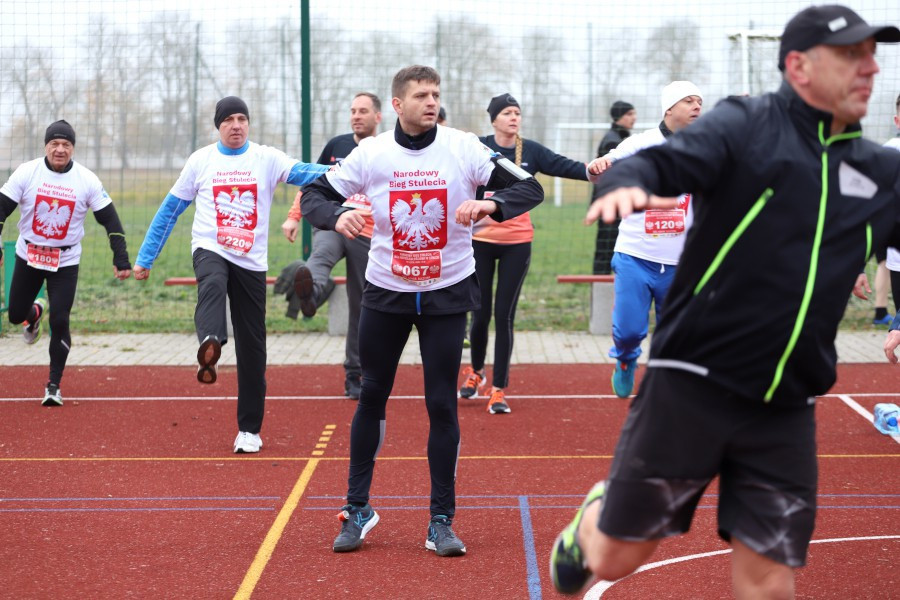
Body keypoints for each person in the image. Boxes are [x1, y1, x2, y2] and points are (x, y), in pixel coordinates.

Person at [550, 6, 900, 598]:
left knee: (768, 581)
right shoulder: (747, 124)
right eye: (851, 55)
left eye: (873, 54)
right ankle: (592, 522)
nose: (869, 67)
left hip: (785, 402)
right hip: (692, 381)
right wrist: (626, 184)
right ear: (799, 66)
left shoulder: (881, 171)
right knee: (615, 557)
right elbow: (659, 161)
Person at [301, 66, 558, 557]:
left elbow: (531, 189)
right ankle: (358, 509)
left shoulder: (463, 147)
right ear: (397, 105)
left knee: (440, 404)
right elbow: (313, 194)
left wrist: (492, 205)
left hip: (445, 294)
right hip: (386, 292)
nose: (431, 101)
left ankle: (440, 520)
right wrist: (338, 215)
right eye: (421, 95)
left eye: (436, 94)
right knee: (372, 395)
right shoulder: (372, 152)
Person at [133, 97, 328, 454]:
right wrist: (146, 257)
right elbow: (169, 211)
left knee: (254, 345)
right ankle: (211, 340)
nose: (236, 125)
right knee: (211, 283)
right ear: (218, 126)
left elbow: (303, 172)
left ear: (249, 124)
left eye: (242, 119)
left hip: (251, 260)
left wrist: (346, 171)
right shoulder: (201, 161)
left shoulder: (266, 158)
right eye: (229, 120)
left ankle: (249, 430)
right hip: (211, 246)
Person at [459, 93, 596, 414]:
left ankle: (498, 389)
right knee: (479, 313)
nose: (513, 117)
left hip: (517, 245)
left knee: (504, 316)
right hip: (478, 242)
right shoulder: (478, 147)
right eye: (507, 113)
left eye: (517, 113)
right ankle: (476, 372)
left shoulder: (530, 150)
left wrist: (595, 169)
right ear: (493, 119)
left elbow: (566, 166)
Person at [0, 120, 132, 406]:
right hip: (29, 255)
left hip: (65, 260)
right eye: (54, 144)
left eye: (66, 145)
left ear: (73, 148)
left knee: (60, 319)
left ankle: (53, 385)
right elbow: (2, 208)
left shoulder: (86, 180)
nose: (60, 150)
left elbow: (109, 219)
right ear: (46, 146)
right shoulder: (27, 172)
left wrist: (120, 257)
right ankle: (34, 313)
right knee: (14, 315)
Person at [593, 81, 703, 399]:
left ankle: (668, 387)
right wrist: (600, 166)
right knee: (628, 332)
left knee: (676, 337)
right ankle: (626, 362)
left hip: (682, 262)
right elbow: (606, 166)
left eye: (700, 102)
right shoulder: (641, 143)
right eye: (689, 101)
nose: (697, 106)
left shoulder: (705, 145)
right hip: (635, 256)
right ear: (669, 108)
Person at [281, 92, 383, 399]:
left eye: (363, 111)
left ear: (377, 116)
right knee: (320, 257)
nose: (356, 116)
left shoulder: (386, 149)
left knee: (361, 305)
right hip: (333, 221)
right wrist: (293, 217)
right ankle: (309, 294)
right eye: (352, 110)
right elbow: (313, 182)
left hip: (367, 233)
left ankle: (355, 373)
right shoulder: (337, 146)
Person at [592, 100, 636, 275]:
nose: (634, 118)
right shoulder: (613, 141)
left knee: (611, 248)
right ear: (618, 117)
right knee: (606, 250)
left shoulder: (621, 138)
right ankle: (600, 294)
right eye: (629, 114)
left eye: (634, 113)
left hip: (615, 202)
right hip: (611, 203)